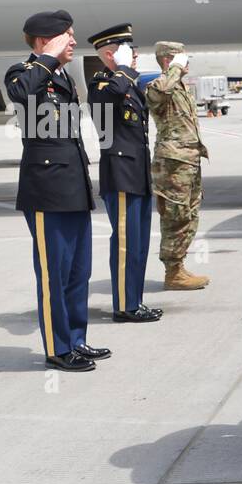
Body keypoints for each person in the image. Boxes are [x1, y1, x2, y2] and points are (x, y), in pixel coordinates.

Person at [4, 10, 109, 372]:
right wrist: (47, 57)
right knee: (54, 274)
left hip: (73, 186)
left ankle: (76, 339)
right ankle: (57, 348)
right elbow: (20, 94)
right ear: (42, 41)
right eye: (67, 36)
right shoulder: (23, 73)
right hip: (47, 190)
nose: (74, 42)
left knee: (79, 272)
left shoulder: (61, 77)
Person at [86, 23, 162, 324]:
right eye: (126, 50)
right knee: (125, 243)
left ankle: (134, 300)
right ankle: (124, 306)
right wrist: (121, 68)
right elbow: (108, 105)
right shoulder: (103, 86)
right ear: (109, 54)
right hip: (120, 175)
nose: (134, 55)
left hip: (138, 174)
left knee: (139, 243)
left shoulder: (127, 85)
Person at [146, 41, 210, 290]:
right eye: (180, 59)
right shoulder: (159, 86)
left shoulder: (181, 87)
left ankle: (179, 268)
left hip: (188, 162)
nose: (186, 63)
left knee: (189, 215)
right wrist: (173, 69)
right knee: (175, 216)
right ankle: (172, 273)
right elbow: (158, 93)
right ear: (167, 60)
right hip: (173, 164)